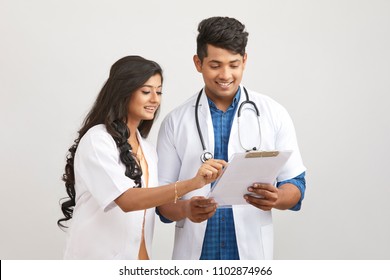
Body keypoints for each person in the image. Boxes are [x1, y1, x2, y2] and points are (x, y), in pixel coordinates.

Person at [156, 17, 306, 260]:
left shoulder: (274, 114)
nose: (225, 75)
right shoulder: (175, 122)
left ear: (245, 61)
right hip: (195, 256)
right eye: (215, 65)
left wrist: (277, 197)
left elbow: (296, 184)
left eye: (234, 65)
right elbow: (162, 199)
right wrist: (186, 208)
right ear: (198, 63)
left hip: (250, 255)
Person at [57, 55, 226, 260]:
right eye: (146, 91)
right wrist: (193, 183)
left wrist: (188, 207)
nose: (155, 99)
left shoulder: (148, 151)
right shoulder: (98, 140)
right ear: (123, 92)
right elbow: (127, 200)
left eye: (159, 91)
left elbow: (153, 205)